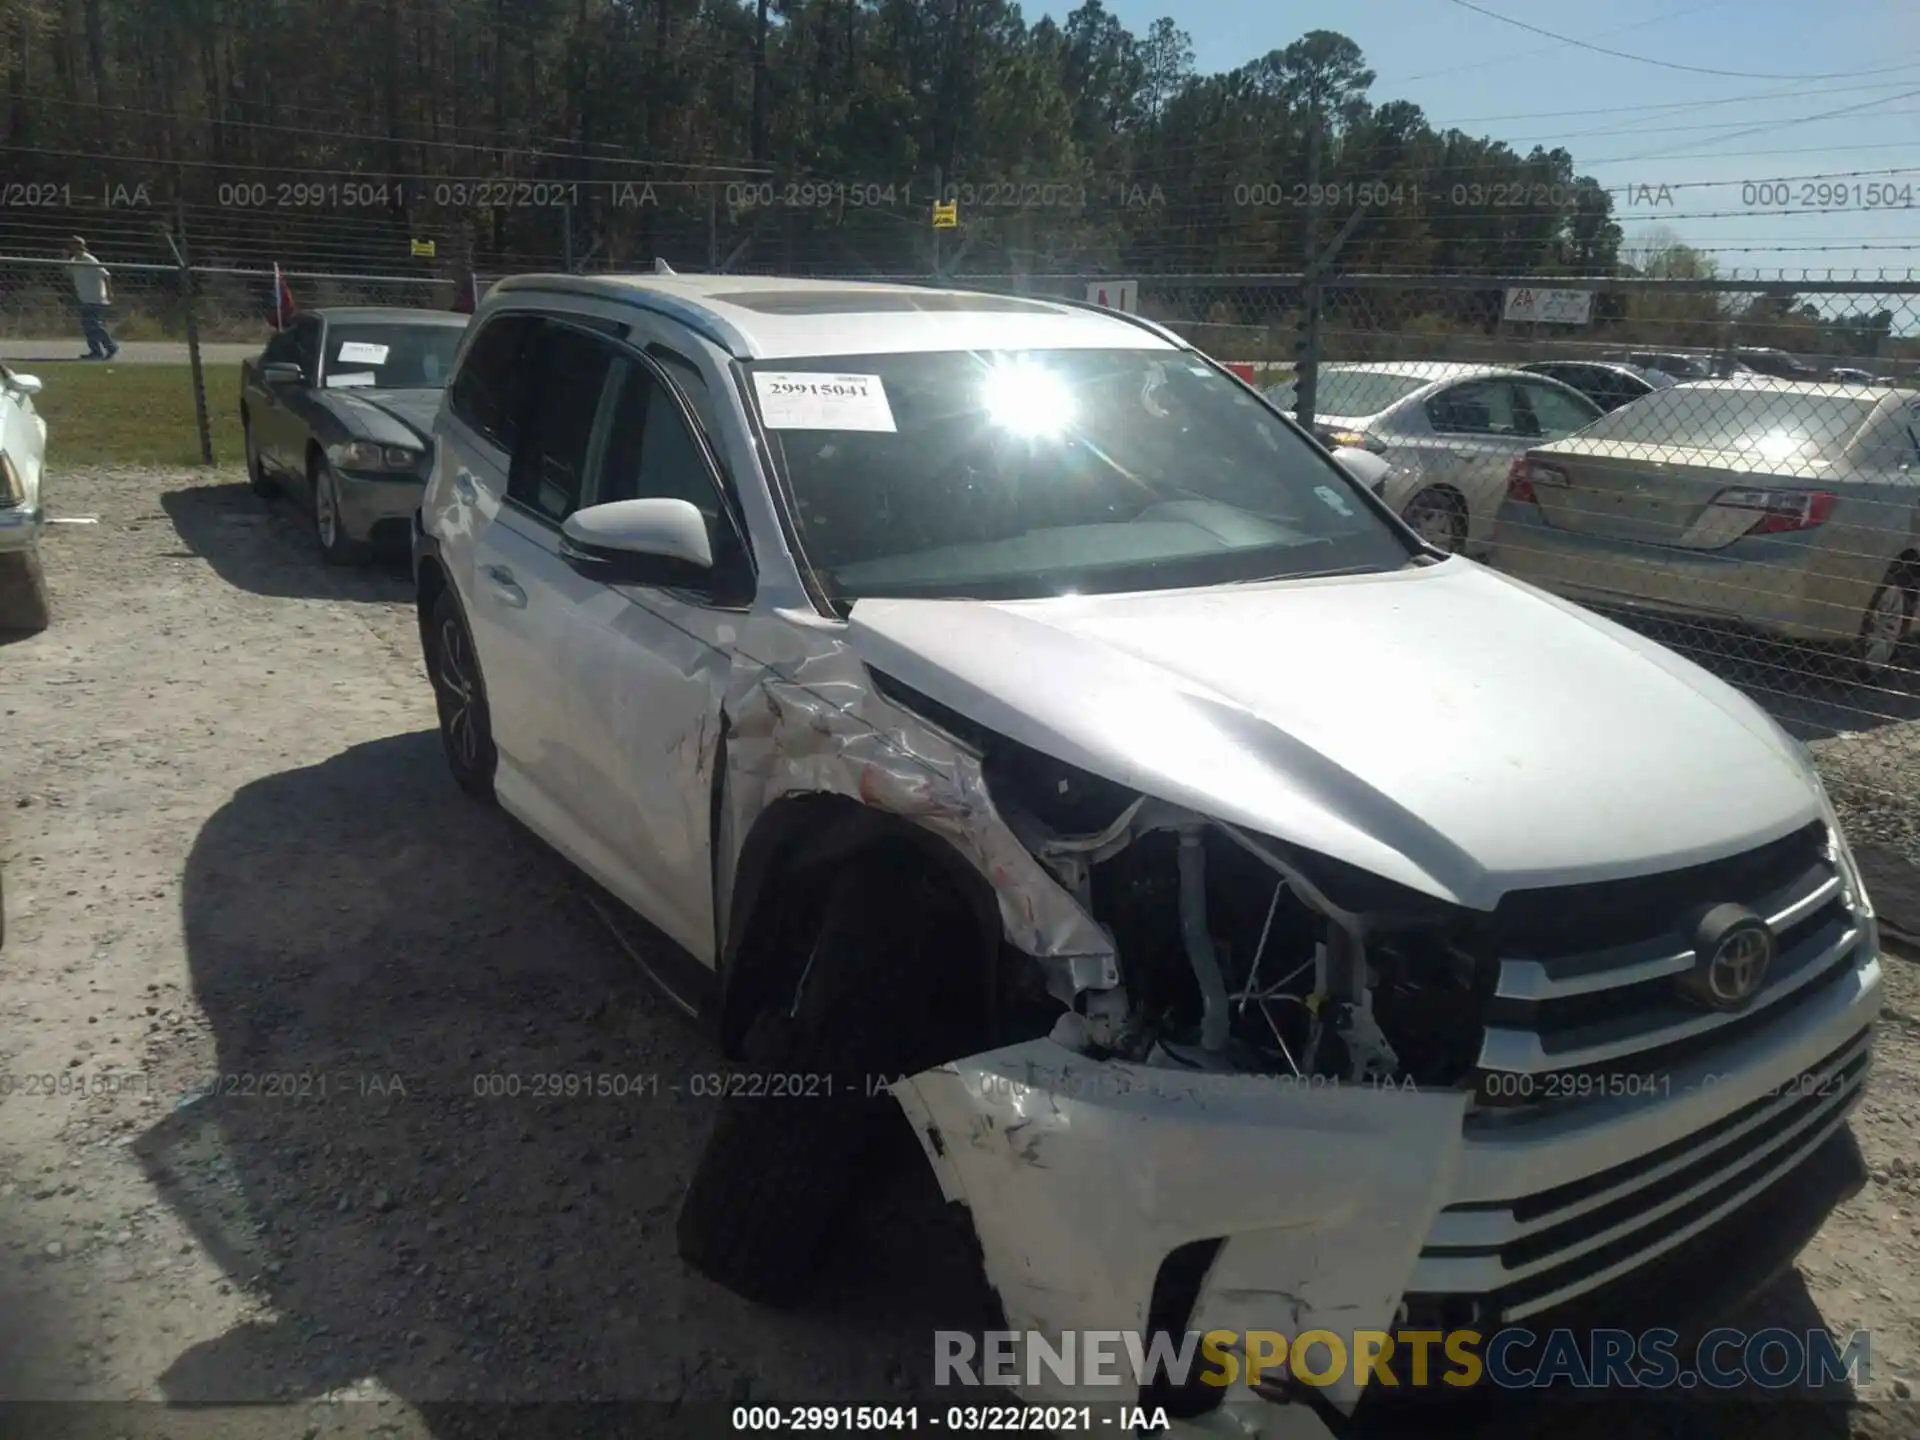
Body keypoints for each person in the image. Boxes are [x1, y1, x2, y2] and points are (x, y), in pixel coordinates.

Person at [66, 237, 120, 360]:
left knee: (94, 324)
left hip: (96, 297)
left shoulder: (89, 259)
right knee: (88, 326)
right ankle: (96, 351)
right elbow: (67, 273)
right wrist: (64, 259)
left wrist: (109, 292)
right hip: (84, 297)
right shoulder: (74, 260)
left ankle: (111, 346)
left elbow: (106, 275)